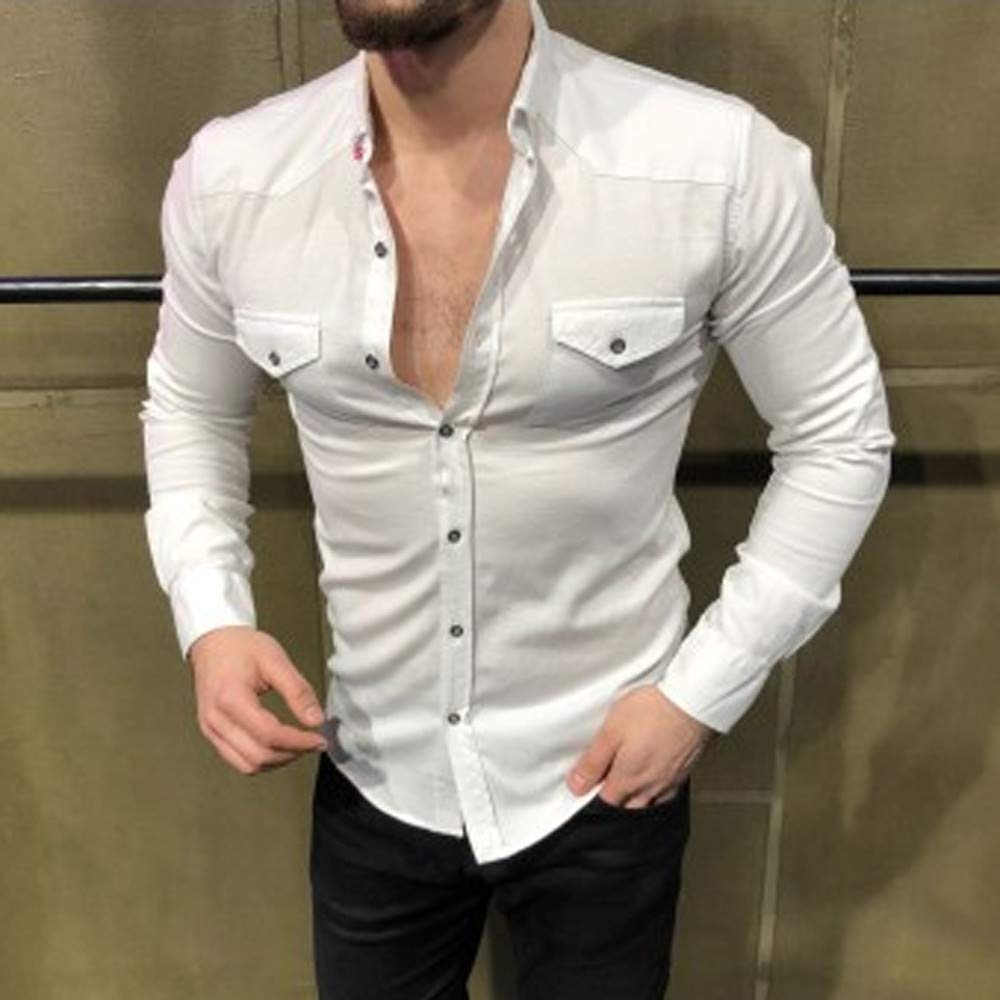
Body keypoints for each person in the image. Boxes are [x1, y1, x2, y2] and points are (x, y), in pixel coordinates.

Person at [139, 0, 896, 996]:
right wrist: (210, 617)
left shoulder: (713, 165)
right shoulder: (232, 178)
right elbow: (190, 409)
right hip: (372, 763)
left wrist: (699, 693)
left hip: (605, 771)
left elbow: (839, 435)